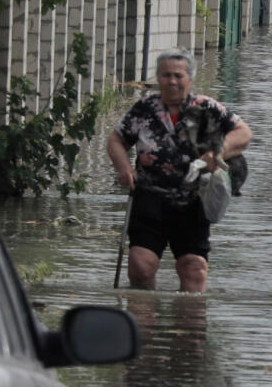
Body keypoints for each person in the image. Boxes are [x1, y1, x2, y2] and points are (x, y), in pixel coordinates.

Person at [107, 48, 253, 292]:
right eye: (165, 75)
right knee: (141, 266)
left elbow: (244, 134)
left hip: (193, 201)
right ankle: (143, 323)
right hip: (149, 198)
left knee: (193, 268)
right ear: (158, 78)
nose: (172, 81)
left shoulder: (206, 107)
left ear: (190, 79)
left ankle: (189, 327)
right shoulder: (144, 108)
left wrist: (217, 152)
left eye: (178, 75)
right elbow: (116, 140)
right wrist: (123, 168)